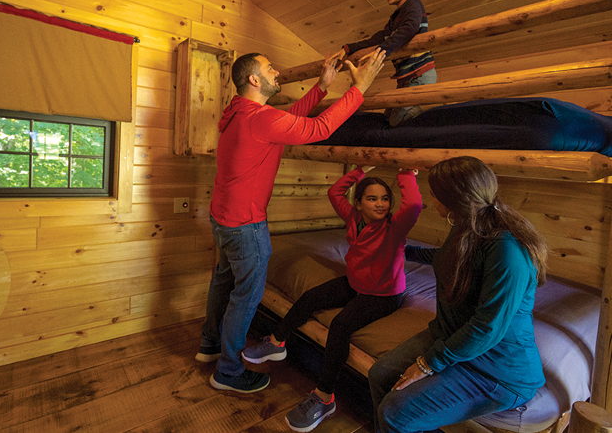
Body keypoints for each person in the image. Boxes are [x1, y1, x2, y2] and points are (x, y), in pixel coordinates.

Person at [197, 49, 388, 395]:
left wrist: (321, 87)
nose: (277, 71)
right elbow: (320, 127)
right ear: (255, 79)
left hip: (222, 217)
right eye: (270, 68)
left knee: (223, 281)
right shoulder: (259, 117)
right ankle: (228, 371)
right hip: (245, 225)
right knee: (246, 297)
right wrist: (359, 89)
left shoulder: (238, 112)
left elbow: (286, 119)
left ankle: (210, 344)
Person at [368, 156, 548, 433]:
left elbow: (487, 327)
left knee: (395, 411)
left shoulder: (508, 250)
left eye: (434, 195)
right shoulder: (468, 226)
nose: (431, 201)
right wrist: (403, 251)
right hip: (451, 335)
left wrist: (428, 364)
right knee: (380, 373)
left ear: (454, 198)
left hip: (498, 368)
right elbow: (450, 258)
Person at [243, 165, 422, 431]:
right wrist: (359, 170)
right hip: (356, 282)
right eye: (372, 198)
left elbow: (415, 205)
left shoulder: (394, 227)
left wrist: (406, 174)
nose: (381, 204)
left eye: (385, 198)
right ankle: (276, 341)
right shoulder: (353, 217)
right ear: (359, 202)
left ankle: (324, 397)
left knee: (340, 326)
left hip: (383, 294)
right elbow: (335, 192)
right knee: (311, 297)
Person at [338, 0, 436, 127]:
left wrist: (381, 50)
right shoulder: (396, 17)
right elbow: (378, 37)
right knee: (388, 115)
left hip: (419, 74)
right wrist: (348, 48)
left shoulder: (413, 5)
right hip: (407, 78)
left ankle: (428, 118)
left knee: (397, 121)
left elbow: (410, 28)